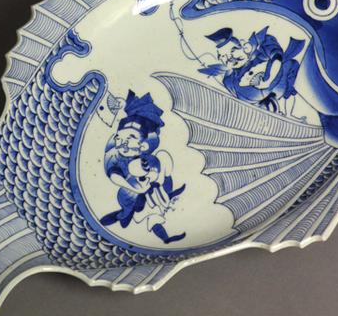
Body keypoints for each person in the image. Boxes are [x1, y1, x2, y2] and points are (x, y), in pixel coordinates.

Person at [99, 90, 186, 244]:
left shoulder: (147, 156)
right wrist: (136, 189)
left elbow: (158, 168)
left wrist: (154, 179)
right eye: (120, 138)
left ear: (143, 145)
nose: (123, 143)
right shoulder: (117, 158)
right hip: (131, 195)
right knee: (150, 215)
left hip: (151, 191)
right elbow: (114, 175)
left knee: (163, 158)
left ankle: (165, 232)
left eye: (130, 138)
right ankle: (124, 215)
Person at [198, 26, 304, 116]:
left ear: (245, 46)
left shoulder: (260, 54)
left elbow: (277, 55)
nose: (230, 59)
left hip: (278, 88)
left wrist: (268, 79)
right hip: (257, 108)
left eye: (233, 51)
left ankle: (289, 114)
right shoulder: (230, 80)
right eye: (223, 57)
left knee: (289, 65)